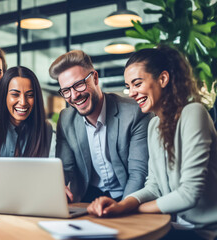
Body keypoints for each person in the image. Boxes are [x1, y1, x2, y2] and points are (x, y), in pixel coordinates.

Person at [87, 46, 217, 240]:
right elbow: (154, 186)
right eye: (128, 86)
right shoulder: (154, 125)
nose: (131, 93)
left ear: (163, 79)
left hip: (205, 232)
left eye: (137, 84)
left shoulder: (193, 113)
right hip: (175, 226)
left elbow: (189, 193)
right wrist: (121, 205)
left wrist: (136, 210)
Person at [49, 50, 151, 203]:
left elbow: (138, 174)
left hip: (127, 196)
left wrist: (121, 208)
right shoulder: (66, 119)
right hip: (87, 197)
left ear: (95, 78)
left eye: (79, 85)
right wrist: (58, 185)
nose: (74, 95)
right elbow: (65, 169)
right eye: (66, 91)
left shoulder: (134, 113)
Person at [0, 66, 53, 198]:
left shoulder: (44, 128)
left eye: (29, 95)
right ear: (4, 96)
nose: (23, 102)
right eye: (15, 94)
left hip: (26, 202)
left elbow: (37, 178)